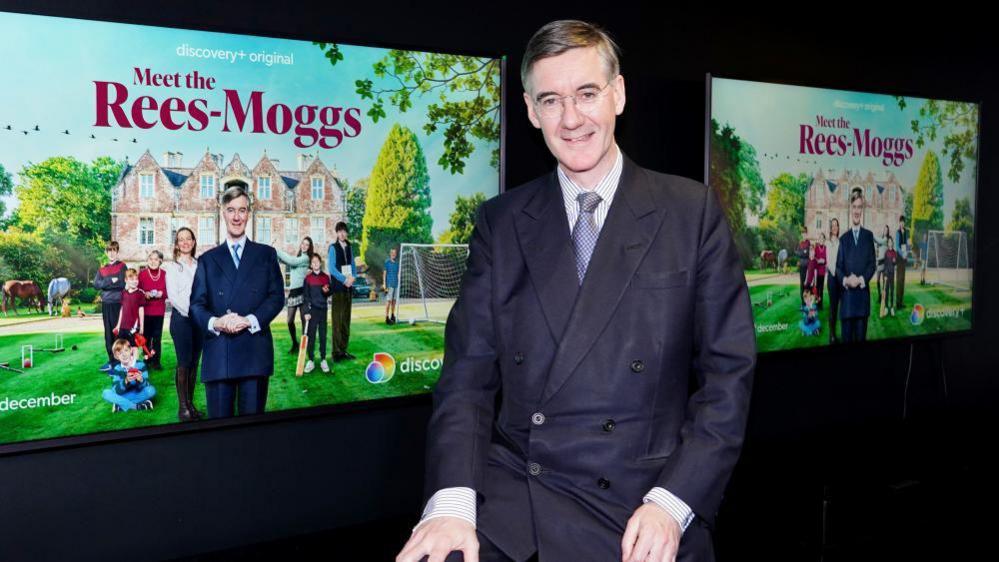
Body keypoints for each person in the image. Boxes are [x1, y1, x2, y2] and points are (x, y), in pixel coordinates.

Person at [397, 20, 756, 562]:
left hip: (644, 498)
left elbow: (727, 379)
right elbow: (466, 379)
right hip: (524, 496)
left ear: (618, 94)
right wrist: (451, 503)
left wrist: (674, 502)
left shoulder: (691, 213)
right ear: (529, 109)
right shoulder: (502, 223)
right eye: (551, 100)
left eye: (587, 94)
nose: (571, 118)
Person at [189, 182, 285, 418]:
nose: (237, 216)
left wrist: (250, 320)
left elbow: (276, 297)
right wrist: (217, 322)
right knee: (219, 438)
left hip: (254, 353)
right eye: (231, 210)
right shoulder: (207, 260)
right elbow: (196, 306)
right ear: (223, 213)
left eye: (242, 210)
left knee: (252, 438)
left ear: (248, 214)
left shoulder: (266, 255)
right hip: (220, 355)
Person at [163, 227, 202, 421]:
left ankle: (191, 404)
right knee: (184, 364)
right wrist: (194, 313)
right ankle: (182, 407)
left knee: (195, 364)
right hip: (182, 320)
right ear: (177, 244)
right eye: (181, 239)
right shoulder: (172, 267)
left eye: (189, 239)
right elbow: (174, 297)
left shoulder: (199, 265)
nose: (185, 242)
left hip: (199, 322)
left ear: (194, 242)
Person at [835, 191, 876, 343]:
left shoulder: (868, 236)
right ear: (850, 209)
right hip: (847, 304)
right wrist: (846, 280)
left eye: (859, 207)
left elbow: (872, 264)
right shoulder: (843, 239)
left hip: (862, 303)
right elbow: (838, 267)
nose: (857, 211)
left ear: (862, 210)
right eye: (854, 207)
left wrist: (860, 279)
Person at [276, 237, 314, 354]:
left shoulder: (305, 258)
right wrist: (274, 254)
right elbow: (284, 260)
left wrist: (276, 250)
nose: (304, 246)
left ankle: (305, 346)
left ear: (309, 247)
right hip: (293, 292)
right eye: (303, 243)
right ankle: (295, 344)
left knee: (304, 321)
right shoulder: (298, 258)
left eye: (307, 245)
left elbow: (291, 261)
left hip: (302, 291)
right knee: (289, 321)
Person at [94, 240, 127, 372]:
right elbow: (96, 284)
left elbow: (122, 284)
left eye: (114, 250)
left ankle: (122, 361)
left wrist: (107, 285)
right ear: (106, 252)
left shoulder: (122, 266)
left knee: (118, 333)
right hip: (106, 304)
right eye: (109, 251)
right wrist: (109, 281)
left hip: (118, 304)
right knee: (108, 334)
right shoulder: (102, 269)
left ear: (117, 252)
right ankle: (112, 362)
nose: (112, 253)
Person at [327, 222, 357, 361]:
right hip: (338, 288)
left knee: (346, 321)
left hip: (348, 289)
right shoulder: (333, 248)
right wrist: (345, 279)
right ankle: (336, 353)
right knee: (337, 321)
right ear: (337, 233)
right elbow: (332, 269)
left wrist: (353, 278)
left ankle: (344, 350)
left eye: (344, 231)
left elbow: (353, 265)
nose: (342, 234)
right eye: (340, 231)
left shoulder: (350, 247)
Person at [101, 338, 156, 412]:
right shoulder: (117, 368)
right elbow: (115, 390)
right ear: (116, 357)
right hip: (124, 394)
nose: (124, 355)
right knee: (106, 393)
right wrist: (125, 381)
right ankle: (136, 406)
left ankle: (121, 405)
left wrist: (141, 380)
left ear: (131, 351)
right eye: (120, 353)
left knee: (151, 390)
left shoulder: (140, 364)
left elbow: (146, 385)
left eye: (126, 350)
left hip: (138, 393)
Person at [302, 253, 332, 374]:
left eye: (317, 261)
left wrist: (327, 291)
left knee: (323, 335)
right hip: (312, 311)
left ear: (320, 263)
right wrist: (307, 312)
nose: (315, 264)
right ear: (311, 264)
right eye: (313, 262)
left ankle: (323, 359)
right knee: (311, 336)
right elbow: (306, 297)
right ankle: (311, 360)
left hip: (323, 310)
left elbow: (328, 292)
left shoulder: (326, 277)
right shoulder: (308, 278)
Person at [138, 250, 167, 370]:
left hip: (159, 311)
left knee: (157, 338)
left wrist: (162, 293)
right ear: (147, 260)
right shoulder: (142, 274)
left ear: (160, 261)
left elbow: (169, 291)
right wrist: (145, 294)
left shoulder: (165, 274)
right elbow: (138, 290)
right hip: (146, 311)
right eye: (151, 259)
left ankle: (156, 361)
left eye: (156, 259)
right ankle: (146, 359)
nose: (153, 261)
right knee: (146, 337)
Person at [113, 268, 145, 348]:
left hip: (133, 327)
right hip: (123, 327)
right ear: (126, 280)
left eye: (136, 279)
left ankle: (134, 361)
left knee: (133, 347)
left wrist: (141, 326)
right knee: (122, 347)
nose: (135, 281)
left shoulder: (140, 293)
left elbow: (141, 311)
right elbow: (122, 310)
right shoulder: (124, 293)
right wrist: (118, 325)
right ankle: (124, 361)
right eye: (131, 279)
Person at [826, 218, 842, 344]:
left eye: (836, 225)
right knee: (833, 307)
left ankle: (843, 333)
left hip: (840, 279)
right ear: (830, 228)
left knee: (841, 307)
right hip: (832, 278)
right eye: (833, 225)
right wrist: (837, 273)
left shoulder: (840, 242)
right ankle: (831, 334)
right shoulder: (828, 243)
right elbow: (829, 263)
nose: (835, 227)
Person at [894, 215, 908, 309]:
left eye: (903, 221)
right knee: (899, 280)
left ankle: (901, 302)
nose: (902, 223)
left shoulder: (906, 232)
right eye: (901, 221)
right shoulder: (897, 232)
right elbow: (897, 246)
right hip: (899, 257)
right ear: (899, 222)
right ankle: (898, 303)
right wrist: (902, 254)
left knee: (903, 280)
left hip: (904, 257)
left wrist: (906, 252)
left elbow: (906, 244)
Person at [383, 246, 400, 325]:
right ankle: (386, 317)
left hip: (396, 284)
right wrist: (384, 284)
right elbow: (384, 274)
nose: (393, 254)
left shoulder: (397, 264)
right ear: (390, 254)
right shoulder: (387, 262)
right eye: (392, 253)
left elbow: (398, 274)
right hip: (389, 284)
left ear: (396, 254)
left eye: (395, 253)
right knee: (388, 301)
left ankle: (392, 315)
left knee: (394, 301)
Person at [882, 237, 898, 318]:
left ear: (892, 243)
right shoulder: (886, 252)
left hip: (892, 274)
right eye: (889, 242)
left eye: (891, 242)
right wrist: (885, 275)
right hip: (886, 275)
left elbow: (895, 264)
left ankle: (891, 307)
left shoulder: (894, 253)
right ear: (888, 243)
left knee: (892, 291)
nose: (890, 243)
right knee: (886, 291)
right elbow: (885, 265)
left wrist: (895, 263)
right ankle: (885, 308)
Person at [795, 226, 811, 305]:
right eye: (802, 233)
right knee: (802, 284)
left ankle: (808, 301)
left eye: (805, 233)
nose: (804, 234)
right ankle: (803, 303)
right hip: (801, 267)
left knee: (807, 284)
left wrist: (803, 253)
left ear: (806, 234)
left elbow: (808, 253)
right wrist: (803, 252)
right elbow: (797, 253)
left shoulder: (809, 243)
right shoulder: (800, 243)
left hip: (808, 267)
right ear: (801, 234)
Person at [814, 232, 827, 310]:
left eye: (822, 238)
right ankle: (816, 303)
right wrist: (817, 260)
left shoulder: (825, 248)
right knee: (816, 288)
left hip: (822, 271)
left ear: (824, 239)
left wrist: (824, 261)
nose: (821, 239)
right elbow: (814, 256)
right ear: (819, 239)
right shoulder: (816, 248)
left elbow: (827, 258)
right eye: (820, 238)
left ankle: (820, 304)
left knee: (821, 289)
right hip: (817, 271)